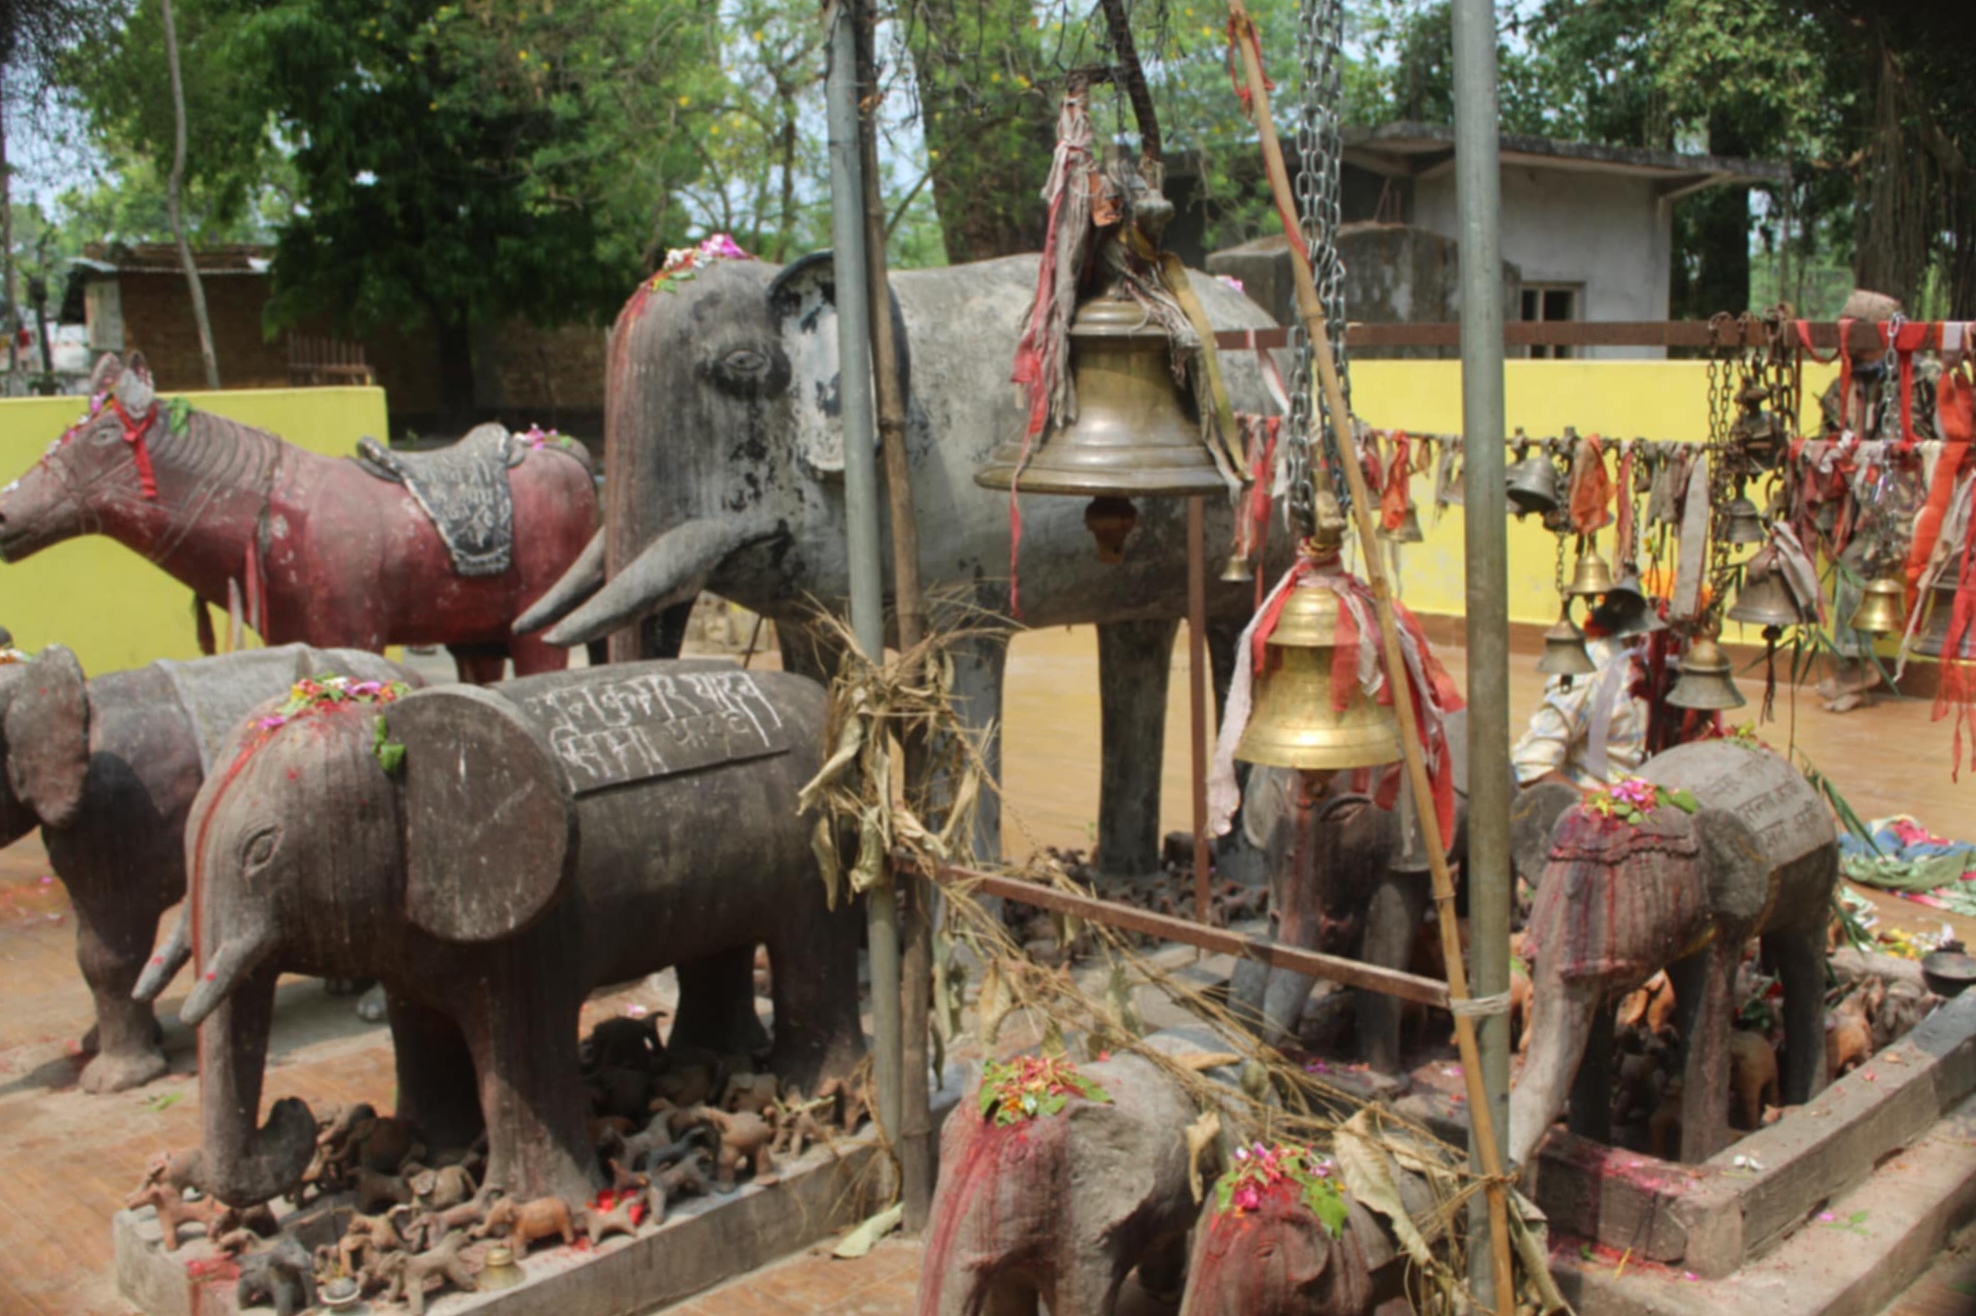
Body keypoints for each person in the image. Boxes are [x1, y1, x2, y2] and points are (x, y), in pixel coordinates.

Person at [1816, 289, 1941, 712]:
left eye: (1856, 333)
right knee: (1842, 560)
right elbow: (1829, 444)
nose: (1848, 342)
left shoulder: (1925, 377)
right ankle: (1851, 665)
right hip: (1858, 499)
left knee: (1857, 565)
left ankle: (1856, 669)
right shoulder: (1842, 386)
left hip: (1908, 499)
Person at [1511, 608, 1649, 792]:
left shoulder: (1657, 666)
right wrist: (1594, 801)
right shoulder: (1591, 674)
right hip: (1595, 798)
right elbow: (1531, 764)